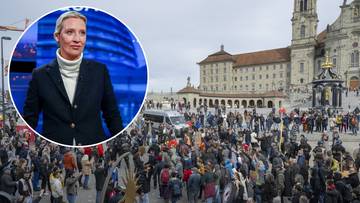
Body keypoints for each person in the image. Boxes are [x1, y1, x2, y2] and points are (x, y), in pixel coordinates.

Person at [23, 11, 123, 145]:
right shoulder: (39, 75)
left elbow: (112, 115)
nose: (77, 39)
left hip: (94, 148)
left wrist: (122, 144)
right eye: (70, 32)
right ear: (57, 36)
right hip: (54, 149)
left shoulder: (100, 71)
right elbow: (30, 119)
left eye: (82, 33)